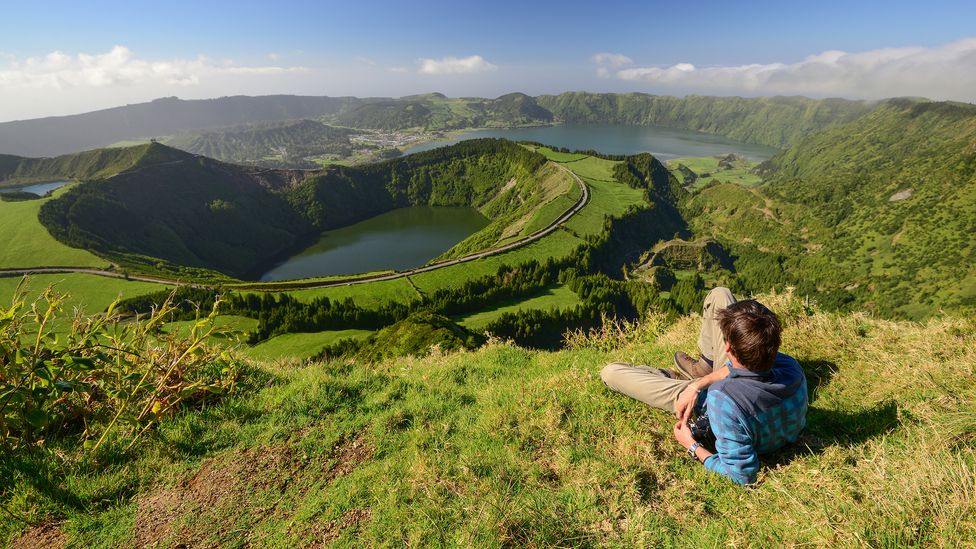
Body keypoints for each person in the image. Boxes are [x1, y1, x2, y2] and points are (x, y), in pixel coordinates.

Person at [600, 287, 808, 485]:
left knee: (611, 373)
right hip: (726, 389)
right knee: (720, 294)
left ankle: (667, 377)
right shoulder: (790, 366)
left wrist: (691, 445)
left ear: (727, 347)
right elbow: (738, 367)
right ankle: (704, 367)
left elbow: (741, 476)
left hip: (713, 402)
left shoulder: (722, 399)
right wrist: (698, 385)